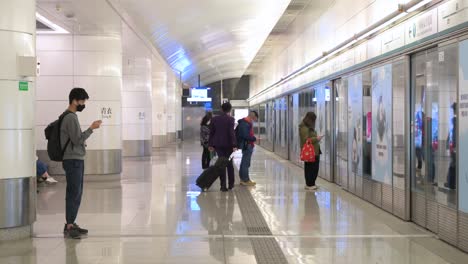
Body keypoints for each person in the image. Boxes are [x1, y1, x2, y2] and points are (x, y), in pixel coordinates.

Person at [61, 88, 102, 239]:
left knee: (76, 193)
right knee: (74, 193)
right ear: (74, 100)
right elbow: (78, 140)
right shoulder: (70, 118)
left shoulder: (70, 116)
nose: (83, 104)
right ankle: (70, 225)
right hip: (73, 160)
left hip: (75, 159)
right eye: (82, 101)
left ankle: (71, 222)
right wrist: (91, 128)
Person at [208, 102, 237, 192]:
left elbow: (211, 133)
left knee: (221, 165)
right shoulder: (231, 119)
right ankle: (231, 185)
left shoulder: (214, 119)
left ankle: (223, 186)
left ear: (221, 109)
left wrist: (210, 144)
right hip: (228, 145)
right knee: (229, 164)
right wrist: (234, 145)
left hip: (218, 145)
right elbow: (231, 133)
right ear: (230, 109)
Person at [299, 112, 322, 190]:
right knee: (311, 168)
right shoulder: (304, 128)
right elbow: (305, 140)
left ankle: (312, 183)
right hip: (310, 151)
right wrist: (316, 139)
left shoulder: (308, 127)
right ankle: (309, 184)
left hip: (314, 150)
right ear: (310, 119)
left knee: (313, 168)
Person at [236, 111, 258, 186]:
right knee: (245, 163)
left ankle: (243, 179)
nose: (254, 120)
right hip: (247, 145)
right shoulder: (245, 123)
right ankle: (245, 179)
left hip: (247, 144)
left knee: (244, 162)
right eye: (255, 118)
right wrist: (254, 138)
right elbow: (245, 135)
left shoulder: (246, 122)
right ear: (253, 116)